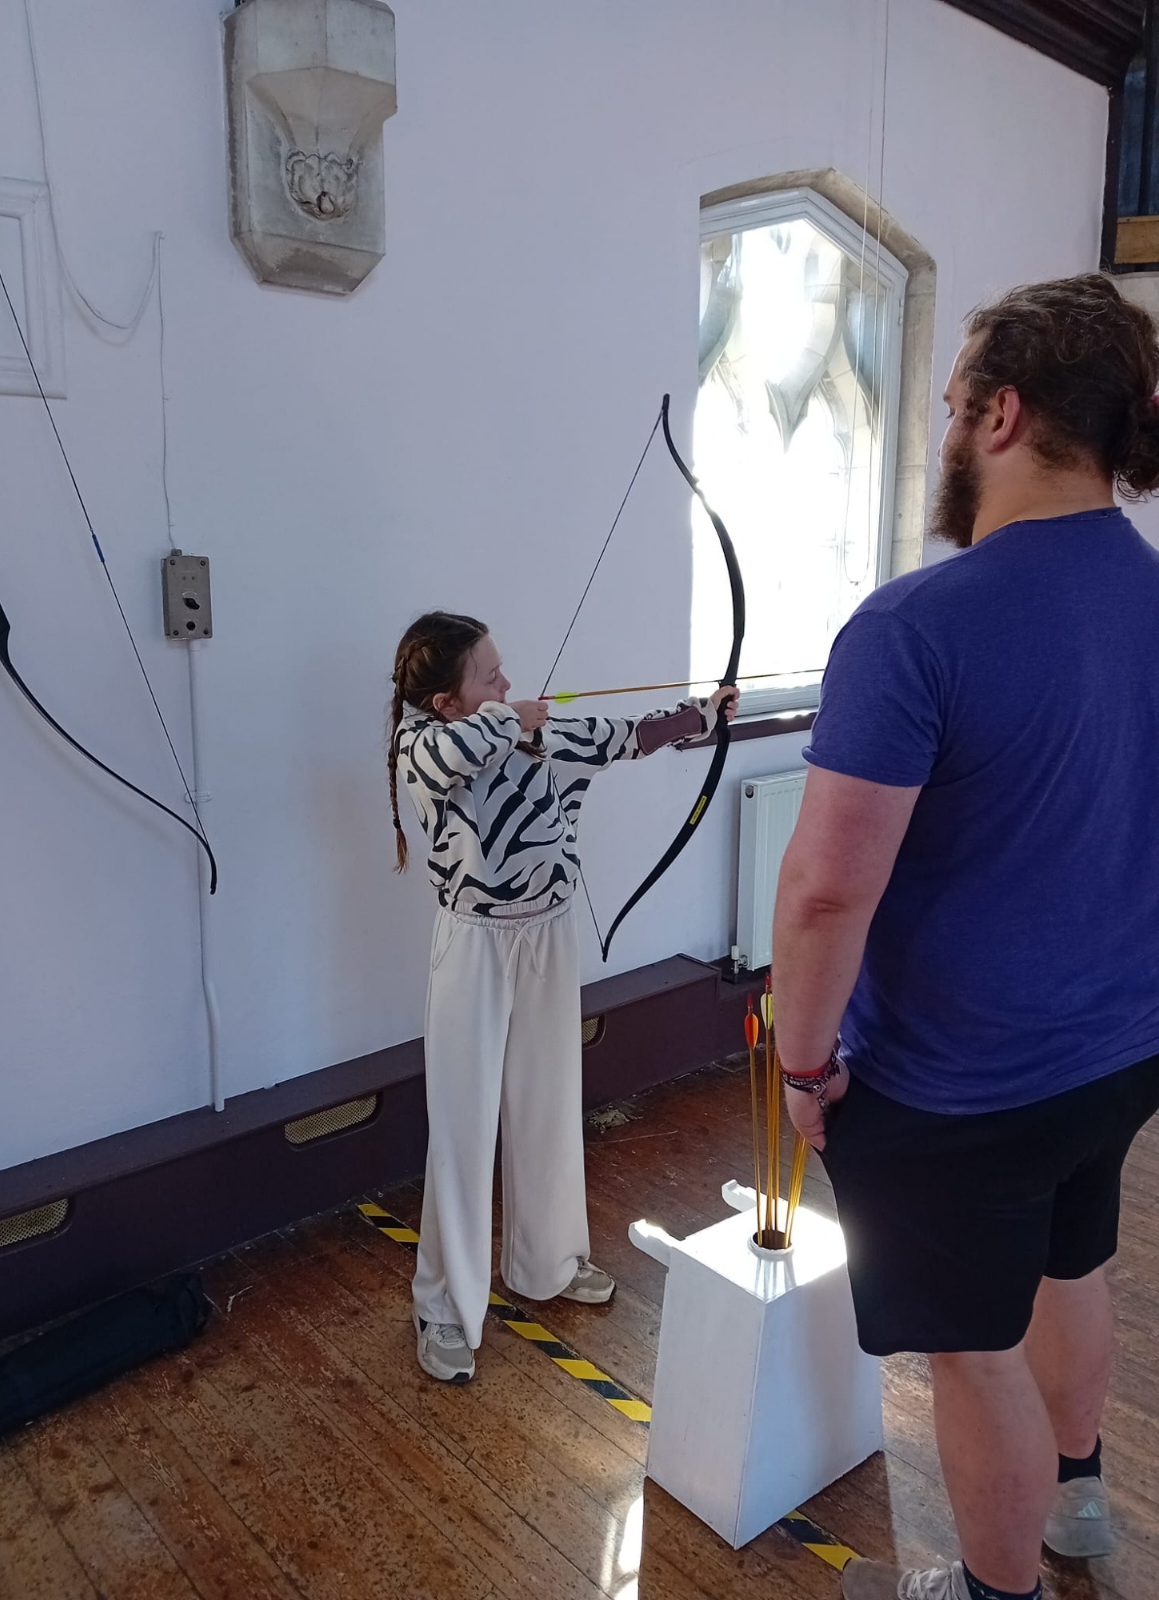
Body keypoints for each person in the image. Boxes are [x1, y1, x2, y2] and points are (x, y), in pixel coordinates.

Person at [771, 273, 1159, 1600]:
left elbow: (825, 892)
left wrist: (805, 1064)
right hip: (1120, 1053)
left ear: (1003, 414)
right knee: (1070, 1261)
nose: (944, 431)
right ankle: (1080, 1504)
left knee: (973, 1346)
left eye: (949, 405)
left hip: (958, 1088)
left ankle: (998, 1593)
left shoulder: (915, 626)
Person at [389, 610, 738, 1383]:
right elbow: (457, 751)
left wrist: (704, 715)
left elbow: (627, 736)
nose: (507, 683)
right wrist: (512, 719)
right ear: (446, 701)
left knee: (548, 1104)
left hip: (547, 934)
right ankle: (443, 1305)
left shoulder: (529, 732)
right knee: (463, 1126)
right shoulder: (423, 746)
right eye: (489, 676)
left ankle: (545, 1263)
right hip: (473, 942)